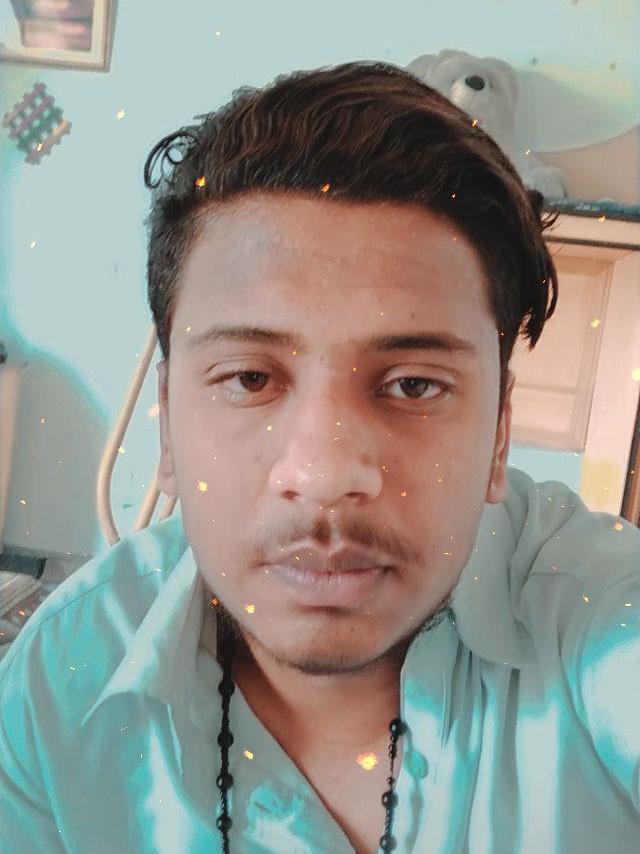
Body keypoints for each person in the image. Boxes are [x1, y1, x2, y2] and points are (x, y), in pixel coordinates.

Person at [1, 60, 639, 854]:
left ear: (499, 432)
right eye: (250, 378)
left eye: (413, 385)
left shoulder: (600, 622)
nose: (325, 475)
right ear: (168, 426)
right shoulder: (58, 689)